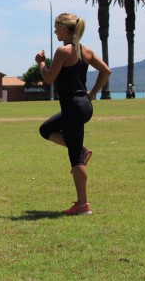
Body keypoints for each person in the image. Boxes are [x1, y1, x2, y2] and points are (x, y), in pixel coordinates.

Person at [35, 13, 111, 215]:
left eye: (56, 27)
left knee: (74, 156)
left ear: (64, 28)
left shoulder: (63, 51)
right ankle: (83, 151)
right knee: (46, 129)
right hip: (84, 106)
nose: (54, 31)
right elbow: (106, 71)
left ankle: (83, 205)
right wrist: (92, 94)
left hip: (73, 108)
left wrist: (41, 63)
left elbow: (50, 78)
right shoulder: (86, 51)